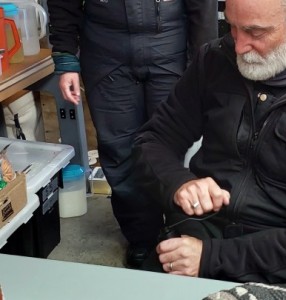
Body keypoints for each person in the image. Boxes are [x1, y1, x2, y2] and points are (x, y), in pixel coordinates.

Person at [131, 0, 286, 291]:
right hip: (192, 235)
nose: (239, 46)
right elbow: (152, 141)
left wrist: (211, 257)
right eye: (232, 27)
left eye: (256, 32)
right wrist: (178, 182)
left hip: (279, 266)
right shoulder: (215, 60)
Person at [46, 0, 218, 268]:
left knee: (174, 147)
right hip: (106, 52)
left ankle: (180, 230)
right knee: (120, 151)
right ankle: (143, 237)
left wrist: (204, 61)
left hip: (170, 47)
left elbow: (203, 6)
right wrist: (66, 58)